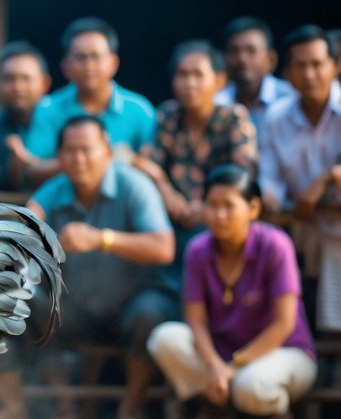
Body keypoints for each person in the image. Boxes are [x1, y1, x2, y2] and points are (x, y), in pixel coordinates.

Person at [0, 116, 176, 419]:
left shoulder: (135, 185)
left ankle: (131, 409)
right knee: (10, 296)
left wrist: (103, 239)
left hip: (130, 307)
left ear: (108, 152)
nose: (79, 158)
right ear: (60, 157)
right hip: (73, 310)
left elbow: (164, 248)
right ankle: (51, 406)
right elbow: (25, 231)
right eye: (70, 151)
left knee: (151, 311)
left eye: (87, 149)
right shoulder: (51, 191)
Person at [148, 164, 314, 419]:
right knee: (165, 339)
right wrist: (214, 366)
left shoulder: (275, 245)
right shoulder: (198, 250)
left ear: (253, 209)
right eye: (212, 205)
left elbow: (284, 324)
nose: (219, 215)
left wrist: (233, 367)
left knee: (252, 387)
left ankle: (277, 412)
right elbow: (195, 320)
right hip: (223, 354)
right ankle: (216, 413)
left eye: (229, 205)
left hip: (283, 352)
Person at [133, 40, 257, 296]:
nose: (189, 83)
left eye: (198, 75)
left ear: (220, 80)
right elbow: (146, 165)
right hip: (172, 223)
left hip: (218, 222)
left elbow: (243, 175)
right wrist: (166, 191)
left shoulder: (234, 118)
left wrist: (206, 207)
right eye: (182, 75)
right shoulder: (168, 116)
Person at [257, 25, 341, 331]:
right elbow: (271, 177)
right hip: (300, 227)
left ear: (335, 66)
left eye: (317, 64)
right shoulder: (276, 117)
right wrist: (268, 197)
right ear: (288, 72)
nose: (309, 74)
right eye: (300, 66)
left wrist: (329, 178)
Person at [19, 17, 157, 184]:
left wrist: (66, 162)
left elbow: (154, 168)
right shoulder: (49, 109)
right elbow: (32, 172)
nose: (89, 65)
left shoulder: (140, 111)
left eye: (95, 56)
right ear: (65, 66)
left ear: (113, 63)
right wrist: (105, 158)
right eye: (81, 57)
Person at [0, 41, 51, 192]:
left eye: (26, 79)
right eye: (9, 79)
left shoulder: (63, 127)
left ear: (45, 83)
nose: (18, 88)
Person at [215, 17, 296, 133]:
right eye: (234, 51)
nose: (242, 59)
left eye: (251, 50)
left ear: (271, 60)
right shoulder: (216, 103)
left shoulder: (291, 99)